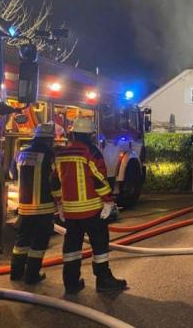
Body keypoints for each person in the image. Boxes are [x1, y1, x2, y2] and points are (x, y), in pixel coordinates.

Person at [51, 117, 126, 294]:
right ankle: (104, 281)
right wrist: (108, 201)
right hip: (92, 210)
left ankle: (71, 284)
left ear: (73, 133)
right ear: (91, 135)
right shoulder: (91, 152)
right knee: (99, 245)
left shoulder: (61, 154)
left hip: (70, 212)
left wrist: (60, 204)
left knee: (72, 249)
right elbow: (99, 178)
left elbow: (55, 182)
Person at [9, 123, 57, 284]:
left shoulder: (21, 153)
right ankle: (31, 276)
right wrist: (60, 200)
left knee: (22, 239)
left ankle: (15, 272)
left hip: (24, 206)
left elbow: (12, 173)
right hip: (44, 206)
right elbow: (55, 178)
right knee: (39, 241)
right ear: (50, 139)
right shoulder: (50, 154)